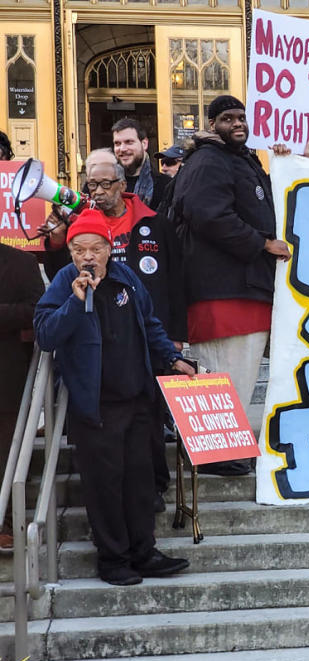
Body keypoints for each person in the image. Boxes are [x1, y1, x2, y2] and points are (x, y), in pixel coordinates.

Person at [34, 209, 195, 585]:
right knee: (105, 486)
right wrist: (74, 302)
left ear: (110, 248)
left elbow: (151, 324)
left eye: (95, 248)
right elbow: (45, 334)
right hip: (95, 406)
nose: (87, 256)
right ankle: (113, 560)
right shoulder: (63, 282)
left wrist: (172, 358)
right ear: (71, 252)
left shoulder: (127, 279)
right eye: (78, 249)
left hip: (137, 399)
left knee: (139, 482)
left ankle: (144, 552)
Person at [169, 94, 290, 477]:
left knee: (235, 372)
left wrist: (291, 161)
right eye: (227, 118)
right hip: (223, 289)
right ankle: (214, 452)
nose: (237, 123)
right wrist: (261, 243)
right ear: (211, 124)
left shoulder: (240, 160)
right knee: (225, 373)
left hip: (241, 288)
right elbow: (209, 215)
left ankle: (221, 449)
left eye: (241, 117)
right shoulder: (208, 161)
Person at [81, 148, 186, 507]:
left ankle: (155, 485)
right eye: (90, 184)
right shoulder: (82, 223)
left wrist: (175, 339)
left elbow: (175, 279)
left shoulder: (154, 222)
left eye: (104, 184)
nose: (96, 191)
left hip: (148, 336)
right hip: (100, 339)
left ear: (122, 184)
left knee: (150, 416)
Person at [0, 241, 42, 551]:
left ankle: (6, 524)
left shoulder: (21, 262)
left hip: (8, 376)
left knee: (6, 453)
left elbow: (36, 310)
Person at [111, 118, 172, 209]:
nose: (122, 149)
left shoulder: (165, 186)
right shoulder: (102, 184)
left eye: (129, 142)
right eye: (117, 143)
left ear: (144, 144)